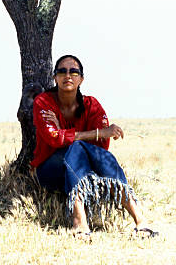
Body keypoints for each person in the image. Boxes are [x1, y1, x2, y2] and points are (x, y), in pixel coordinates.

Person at [31, 54, 158, 240]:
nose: (68, 76)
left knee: (88, 151)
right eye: (62, 71)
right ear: (54, 77)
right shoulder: (43, 102)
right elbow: (54, 140)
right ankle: (79, 221)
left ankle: (140, 220)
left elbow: (101, 148)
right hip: (50, 171)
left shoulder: (91, 104)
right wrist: (96, 133)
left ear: (81, 79)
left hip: (85, 170)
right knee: (76, 148)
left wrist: (65, 133)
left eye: (74, 72)